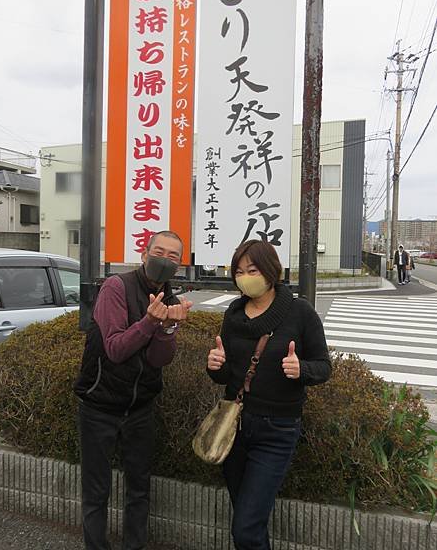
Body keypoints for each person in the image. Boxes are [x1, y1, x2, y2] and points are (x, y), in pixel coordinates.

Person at [206, 240, 331, 550]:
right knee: (247, 522)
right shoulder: (234, 313)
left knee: (245, 529)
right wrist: (215, 366)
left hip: (277, 431)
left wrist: (301, 369)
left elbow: (324, 366)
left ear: (271, 271)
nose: (245, 276)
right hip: (233, 428)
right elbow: (226, 376)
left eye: (252, 269)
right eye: (238, 271)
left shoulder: (299, 311)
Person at [74, 230, 193, 550]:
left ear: (180, 265)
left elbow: (158, 359)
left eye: (173, 257)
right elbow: (114, 349)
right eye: (159, 252)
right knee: (96, 493)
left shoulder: (169, 299)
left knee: (139, 489)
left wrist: (167, 328)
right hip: (100, 405)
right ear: (144, 253)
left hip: (141, 407)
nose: (164, 261)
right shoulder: (116, 287)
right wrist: (149, 323)